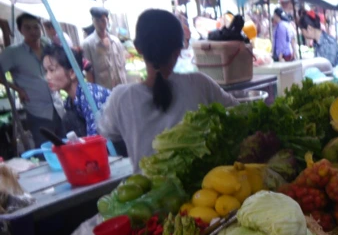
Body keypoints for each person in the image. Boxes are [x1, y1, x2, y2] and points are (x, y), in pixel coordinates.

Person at [99, 9, 237, 171]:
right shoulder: (200, 84)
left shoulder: (121, 98)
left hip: (148, 193)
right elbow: (236, 110)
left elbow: (106, 131)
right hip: (202, 192)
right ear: (179, 50)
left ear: (138, 48)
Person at [0, 13, 62, 146]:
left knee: (68, 147)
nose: (33, 31)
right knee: (46, 151)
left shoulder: (48, 44)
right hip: (37, 110)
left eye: (36, 27)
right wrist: (18, 90)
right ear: (20, 30)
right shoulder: (13, 53)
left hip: (58, 107)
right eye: (27, 28)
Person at [42, 45, 109, 137]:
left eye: (52, 70)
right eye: (46, 71)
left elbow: (97, 138)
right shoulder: (69, 102)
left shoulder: (90, 96)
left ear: (72, 73)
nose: (47, 77)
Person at [81, 7, 127, 90]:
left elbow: (123, 65)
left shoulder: (115, 41)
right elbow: (89, 73)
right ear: (92, 21)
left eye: (102, 20)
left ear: (107, 20)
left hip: (121, 89)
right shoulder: (87, 44)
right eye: (97, 20)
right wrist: (93, 93)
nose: (100, 24)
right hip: (104, 92)